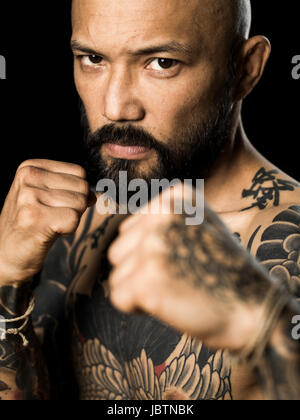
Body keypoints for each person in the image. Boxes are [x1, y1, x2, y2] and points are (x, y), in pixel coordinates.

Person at [0, 0, 299, 401]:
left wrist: (268, 330)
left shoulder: (290, 242)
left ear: (246, 69)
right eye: (92, 59)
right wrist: (6, 281)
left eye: (161, 63)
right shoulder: (70, 225)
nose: (115, 108)